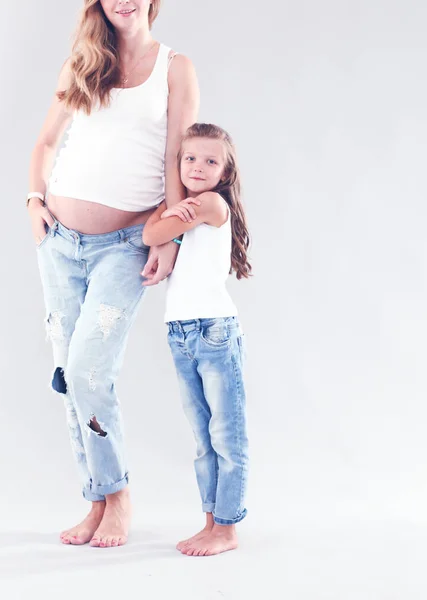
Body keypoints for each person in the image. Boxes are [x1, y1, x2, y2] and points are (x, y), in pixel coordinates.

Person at [27, 0, 199, 548]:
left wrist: (170, 235)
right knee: (68, 378)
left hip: (124, 246)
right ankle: (97, 499)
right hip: (58, 243)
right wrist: (34, 200)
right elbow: (47, 141)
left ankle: (119, 495)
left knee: (89, 372)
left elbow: (177, 157)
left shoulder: (176, 68)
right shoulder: (82, 60)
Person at [142, 123, 251, 556]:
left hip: (214, 330)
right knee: (203, 438)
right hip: (182, 331)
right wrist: (167, 213)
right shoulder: (185, 207)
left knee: (227, 435)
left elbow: (151, 235)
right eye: (189, 159)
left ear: (224, 171)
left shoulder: (209, 204)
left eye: (210, 161)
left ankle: (227, 528)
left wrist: (164, 216)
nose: (198, 166)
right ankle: (210, 522)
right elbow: (156, 234)